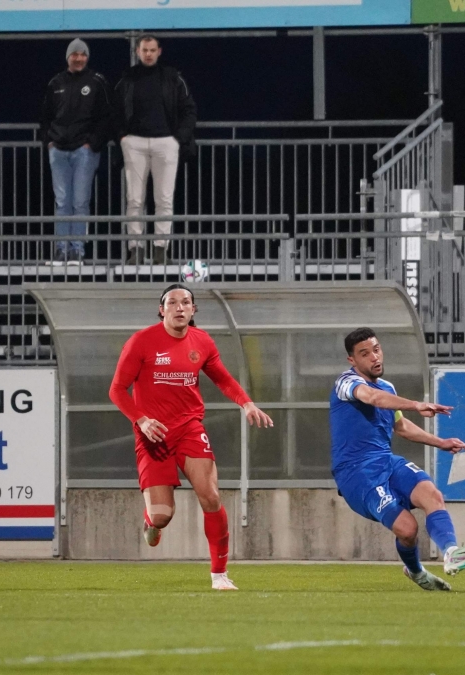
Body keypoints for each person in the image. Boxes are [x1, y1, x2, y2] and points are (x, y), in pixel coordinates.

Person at [108, 284, 272, 591]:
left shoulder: (202, 341)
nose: (179, 307)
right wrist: (141, 420)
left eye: (185, 302)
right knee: (162, 516)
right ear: (162, 310)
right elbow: (117, 390)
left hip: (189, 428)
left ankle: (219, 575)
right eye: (172, 302)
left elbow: (223, 378)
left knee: (211, 496)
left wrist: (247, 403)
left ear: (193, 309)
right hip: (153, 434)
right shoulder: (141, 342)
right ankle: (151, 520)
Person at [330, 327, 465, 591]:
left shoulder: (387, 387)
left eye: (376, 349)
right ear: (352, 360)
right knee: (407, 529)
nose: (374, 357)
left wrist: (441, 442)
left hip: (386, 461)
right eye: (365, 353)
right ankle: (416, 571)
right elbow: (372, 398)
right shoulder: (346, 383)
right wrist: (417, 404)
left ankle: (452, 553)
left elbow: (401, 427)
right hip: (356, 474)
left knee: (432, 494)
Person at [113, 34, 197, 266]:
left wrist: (178, 139)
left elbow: (189, 110)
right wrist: (122, 137)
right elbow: (114, 111)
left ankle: (161, 249)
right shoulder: (127, 78)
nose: (148, 54)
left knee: (164, 199)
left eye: (152, 50)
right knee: (134, 200)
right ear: (137, 52)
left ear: (159, 51)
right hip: (134, 144)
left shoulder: (172, 77)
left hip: (166, 143)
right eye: (144, 50)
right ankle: (136, 249)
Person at [39, 38, 113, 266]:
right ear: (68, 57)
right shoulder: (56, 82)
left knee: (80, 202)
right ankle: (61, 250)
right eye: (75, 54)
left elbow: (107, 116)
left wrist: (93, 142)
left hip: (84, 151)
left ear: (87, 57)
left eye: (82, 54)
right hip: (58, 151)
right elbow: (45, 116)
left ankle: (77, 251)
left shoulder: (97, 81)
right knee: (62, 202)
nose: (79, 58)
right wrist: (49, 142)